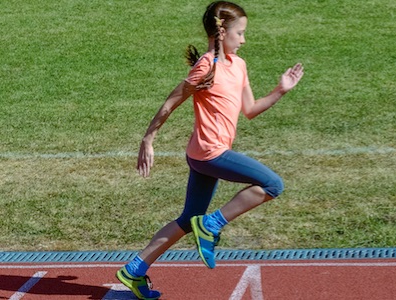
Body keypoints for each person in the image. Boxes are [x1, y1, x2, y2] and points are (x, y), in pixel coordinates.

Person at [115, 1, 305, 299]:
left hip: (204, 155)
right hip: (209, 153)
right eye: (239, 33)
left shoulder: (238, 65)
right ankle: (212, 224)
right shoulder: (206, 66)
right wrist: (147, 139)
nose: (243, 40)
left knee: (188, 217)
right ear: (222, 33)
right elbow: (170, 102)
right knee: (272, 184)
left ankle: (135, 269)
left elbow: (251, 110)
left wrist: (280, 90)